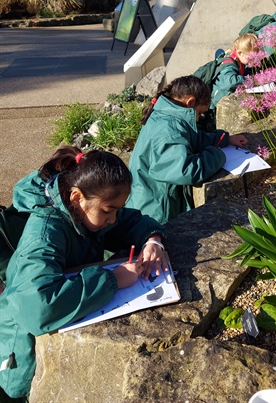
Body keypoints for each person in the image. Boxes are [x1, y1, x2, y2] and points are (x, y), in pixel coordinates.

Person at [0, 146, 166, 401]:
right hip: (22, 354)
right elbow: (37, 308)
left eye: (116, 210)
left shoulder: (82, 207)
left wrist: (153, 239)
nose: (113, 219)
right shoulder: (44, 233)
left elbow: (128, 221)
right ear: (77, 197)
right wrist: (112, 279)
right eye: (109, 210)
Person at [127, 75, 248, 224]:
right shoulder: (170, 129)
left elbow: (192, 139)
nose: (198, 119)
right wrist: (217, 155)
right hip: (155, 212)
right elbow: (186, 171)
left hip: (151, 200)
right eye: (199, 113)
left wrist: (223, 139)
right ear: (190, 102)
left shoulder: (167, 114)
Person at [210, 33, 258, 109]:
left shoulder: (240, 60)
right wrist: (252, 80)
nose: (254, 60)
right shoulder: (229, 63)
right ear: (240, 53)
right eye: (252, 58)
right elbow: (230, 82)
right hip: (217, 104)